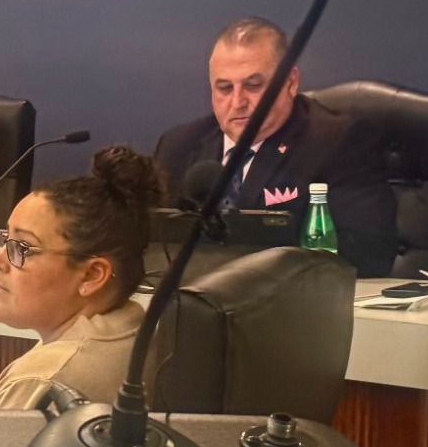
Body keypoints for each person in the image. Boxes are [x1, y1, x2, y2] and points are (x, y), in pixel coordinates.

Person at [152, 17, 397, 277]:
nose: (237, 102)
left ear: (290, 83)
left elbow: (369, 254)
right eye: (224, 88)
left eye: (253, 86)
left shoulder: (337, 142)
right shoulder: (179, 146)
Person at [0, 146, 165, 410]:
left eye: (22, 248)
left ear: (91, 275)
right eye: (5, 241)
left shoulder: (41, 381)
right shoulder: (137, 332)